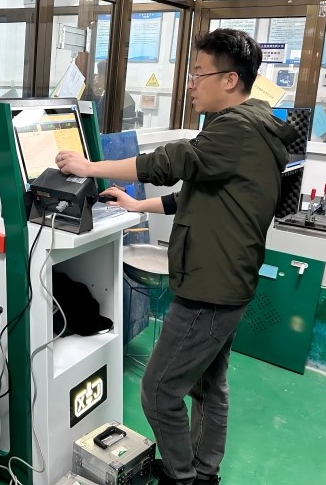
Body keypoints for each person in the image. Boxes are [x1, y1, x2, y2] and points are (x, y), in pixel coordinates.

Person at [56, 29, 299, 485]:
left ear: (230, 79)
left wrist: (88, 167)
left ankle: (181, 477)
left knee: (159, 390)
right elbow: (202, 192)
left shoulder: (236, 128)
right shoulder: (258, 125)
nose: (190, 84)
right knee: (209, 385)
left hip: (210, 286)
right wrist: (137, 205)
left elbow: (170, 163)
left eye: (198, 73)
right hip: (232, 278)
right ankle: (204, 473)